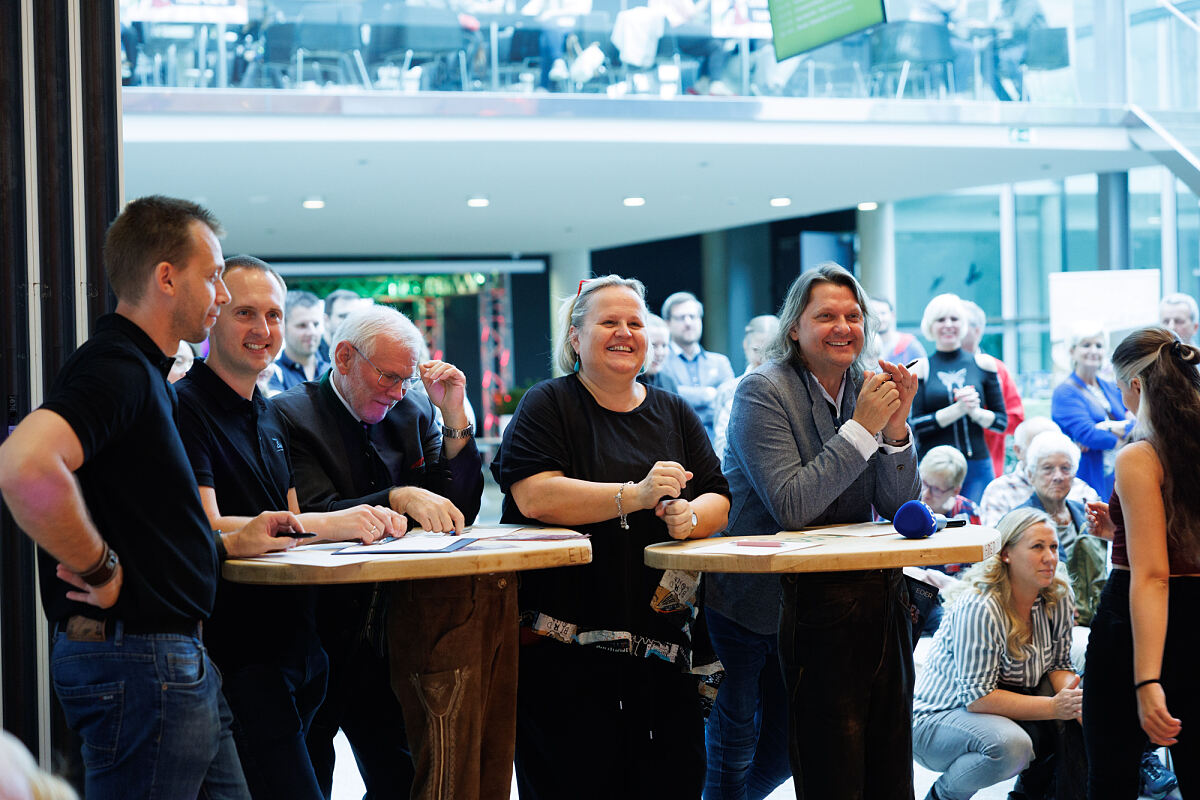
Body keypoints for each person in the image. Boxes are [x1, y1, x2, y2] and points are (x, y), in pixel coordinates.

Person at [0, 195, 305, 799]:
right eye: (214, 275)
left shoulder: (140, 371)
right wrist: (100, 567)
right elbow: (25, 464)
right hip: (141, 658)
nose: (220, 294)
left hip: (170, 659)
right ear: (167, 277)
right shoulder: (116, 366)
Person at [176, 255, 407, 800]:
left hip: (304, 649)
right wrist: (337, 523)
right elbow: (208, 524)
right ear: (212, 317)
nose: (264, 330)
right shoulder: (186, 407)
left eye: (275, 315)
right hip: (240, 654)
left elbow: (289, 520)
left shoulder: (266, 411)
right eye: (246, 313)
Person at [491, 275, 731, 798]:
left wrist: (690, 518)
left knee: (672, 778)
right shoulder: (548, 403)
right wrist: (635, 494)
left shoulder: (673, 411)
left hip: (663, 642)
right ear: (576, 338)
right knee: (574, 779)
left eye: (635, 323)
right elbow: (534, 495)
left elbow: (718, 496)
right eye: (609, 322)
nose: (625, 333)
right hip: (564, 645)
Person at [273, 304, 511, 800]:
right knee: (308, 775)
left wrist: (452, 416)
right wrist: (396, 496)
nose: (398, 391)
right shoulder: (290, 415)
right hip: (316, 630)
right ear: (343, 358)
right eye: (387, 376)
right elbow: (317, 512)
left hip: (393, 631)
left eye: (407, 380)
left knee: (401, 779)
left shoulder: (412, 410)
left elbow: (456, 511)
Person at [707, 262, 920, 800]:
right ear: (794, 328)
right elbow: (793, 505)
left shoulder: (864, 386)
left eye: (853, 315)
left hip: (831, 609)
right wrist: (865, 427)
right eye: (826, 315)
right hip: (752, 603)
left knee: (788, 750)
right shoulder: (761, 390)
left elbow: (898, 506)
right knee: (734, 750)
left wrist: (895, 432)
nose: (844, 326)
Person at [1082, 327, 1200, 798]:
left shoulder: (1140, 457)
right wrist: (1120, 534)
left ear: (1135, 385)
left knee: (1111, 777)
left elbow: (1153, 577)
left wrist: (1147, 679)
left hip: (1138, 627)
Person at [913, 508, 1086, 800]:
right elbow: (979, 698)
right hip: (938, 718)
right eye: (1037, 547)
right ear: (1006, 554)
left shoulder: (1057, 594)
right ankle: (942, 796)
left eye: (1054, 547)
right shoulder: (981, 606)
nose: (1050, 557)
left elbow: (1058, 663)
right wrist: (1055, 707)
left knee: (1079, 698)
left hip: (995, 705)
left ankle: (1032, 793)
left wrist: (1079, 705)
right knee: (1011, 746)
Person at [911, 293, 1008, 503]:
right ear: (930, 325)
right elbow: (914, 425)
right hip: (934, 472)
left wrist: (975, 412)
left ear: (963, 324)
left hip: (977, 467)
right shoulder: (921, 367)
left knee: (979, 526)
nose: (948, 325)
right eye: (941, 319)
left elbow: (1002, 422)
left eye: (954, 319)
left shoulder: (984, 364)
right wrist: (956, 410)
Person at [1015, 432, 1107, 627]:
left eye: (1065, 468)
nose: (1058, 476)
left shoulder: (1087, 516)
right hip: (1043, 621)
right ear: (1030, 475)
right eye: (1048, 469)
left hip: (1092, 617)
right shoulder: (1019, 523)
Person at [1050, 324, 1134, 501]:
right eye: (1086, 345)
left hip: (1119, 476)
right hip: (1087, 478)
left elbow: (1138, 422)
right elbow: (1088, 435)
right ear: (1072, 351)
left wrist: (1106, 427)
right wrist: (1123, 437)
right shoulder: (1064, 392)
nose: (1093, 350)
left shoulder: (1112, 387)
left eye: (1099, 345)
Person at [979, 417, 1100, 528]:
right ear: (1018, 451)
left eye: (1054, 443)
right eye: (1037, 445)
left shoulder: (1081, 489)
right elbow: (995, 544)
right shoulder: (1000, 490)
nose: (1057, 476)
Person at [962, 300, 1025, 480]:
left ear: (977, 331)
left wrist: (979, 417)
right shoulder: (933, 369)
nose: (952, 328)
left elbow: (1015, 420)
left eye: (960, 322)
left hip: (987, 466)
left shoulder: (996, 370)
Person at [660, 290, 735, 440]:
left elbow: (729, 409)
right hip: (676, 442)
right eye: (681, 318)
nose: (688, 323)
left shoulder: (720, 362)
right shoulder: (659, 362)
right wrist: (709, 394)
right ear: (667, 323)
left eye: (692, 317)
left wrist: (683, 396)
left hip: (716, 447)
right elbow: (664, 402)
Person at [712, 314, 779, 461]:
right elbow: (720, 448)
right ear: (745, 345)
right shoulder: (727, 391)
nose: (762, 358)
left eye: (769, 351)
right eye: (756, 350)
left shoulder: (790, 389)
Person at [268, 290, 329, 394]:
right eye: (302, 325)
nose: (312, 332)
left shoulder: (332, 371)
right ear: (283, 327)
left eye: (316, 324)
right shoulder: (271, 374)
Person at [870, 295, 927, 365]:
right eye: (874, 314)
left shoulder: (910, 345)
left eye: (883, 313)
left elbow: (924, 370)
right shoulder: (863, 347)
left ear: (892, 315)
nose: (879, 318)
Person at [321, 288, 372, 360]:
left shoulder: (363, 353)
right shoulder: (312, 355)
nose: (350, 321)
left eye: (355, 316)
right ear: (326, 320)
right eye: (343, 316)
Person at [637, 313, 681, 394]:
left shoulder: (669, 383)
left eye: (664, 346)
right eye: (653, 345)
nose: (660, 353)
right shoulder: (627, 383)